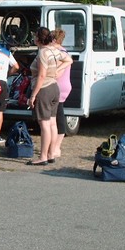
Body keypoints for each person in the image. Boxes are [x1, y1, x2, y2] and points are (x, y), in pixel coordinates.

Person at [26, 27, 72, 166]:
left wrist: (33, 95)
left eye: (35, 36)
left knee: (44, 124)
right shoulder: (54, 50)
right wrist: (57, 70)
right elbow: (69, 60)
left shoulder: (43, 53)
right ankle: (51, 153)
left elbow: (41, 76)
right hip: (54, 87)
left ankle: (43, 156)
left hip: (44, 89)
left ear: (38, 39)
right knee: (52, 123)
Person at [51, 29, 74, 159]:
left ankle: (56, 147)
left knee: (57, 117)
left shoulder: (59, 53)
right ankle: (54, 146)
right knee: (57, 116)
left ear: (54, 40)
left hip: (59, 86)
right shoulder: (64, 51)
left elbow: (57, 72)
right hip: (63, 86)